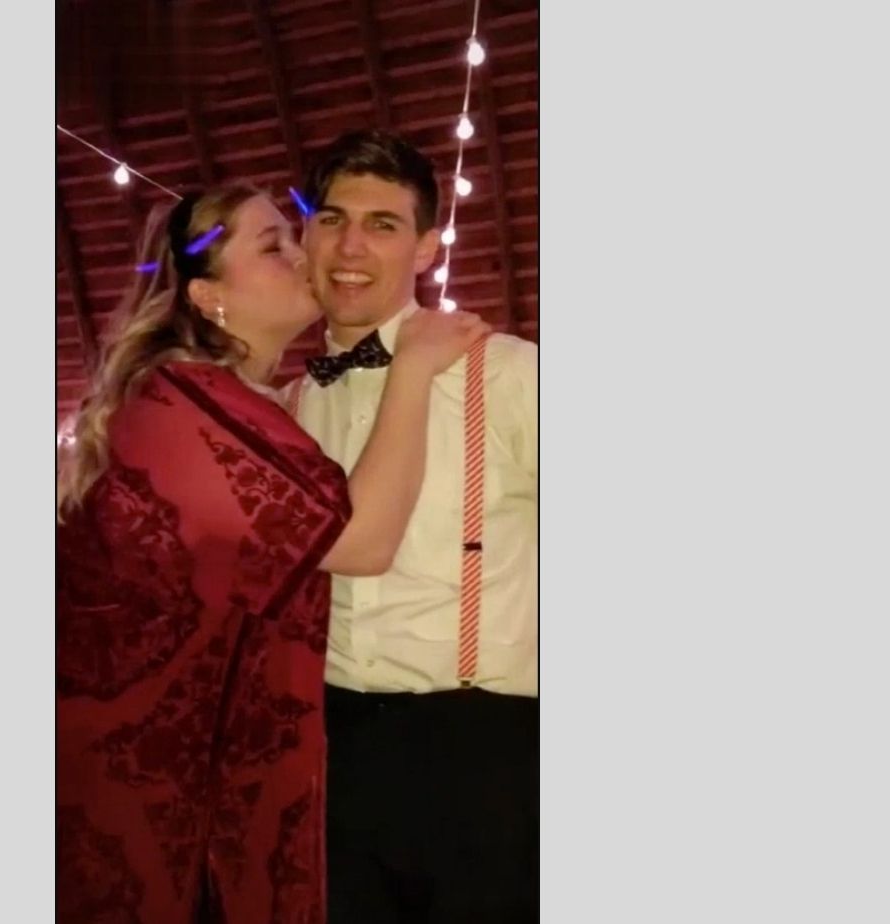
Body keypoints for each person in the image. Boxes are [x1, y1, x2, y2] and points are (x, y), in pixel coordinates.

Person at [55, 182, 490, 924]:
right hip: (145, 798)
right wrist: (413, 370)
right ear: (208, 297)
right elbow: (361, 542)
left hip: (190, 784)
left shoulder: (234, 403)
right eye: (271, 245)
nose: (302, 255)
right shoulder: (179, 402)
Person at [287, 130, 539, 923]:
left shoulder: (508, 371)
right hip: (333, 748)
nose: (350, 246)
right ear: (306, 236)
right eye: (332, 219)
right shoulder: (288, 407)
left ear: (427, 247)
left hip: (483, 749)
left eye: (383, 224)